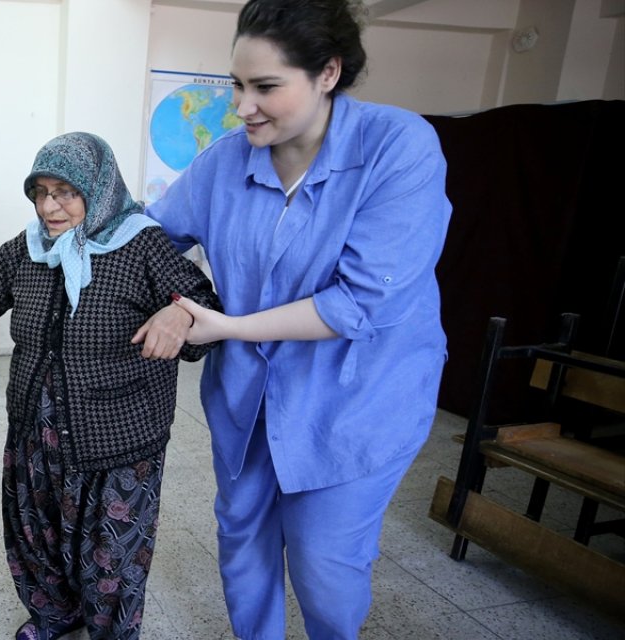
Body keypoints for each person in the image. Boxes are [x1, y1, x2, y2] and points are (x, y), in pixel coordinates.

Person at [134, 1, 452, 636]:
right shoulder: (226, 160)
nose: (243, 106)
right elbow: (146, 236)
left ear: (328, 73)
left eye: (266, 88)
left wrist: (225, 327)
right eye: (237, 86)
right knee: (243, 542)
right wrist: (35, 242)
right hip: (249, 398)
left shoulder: (398, 148)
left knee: (323, 565)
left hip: (356, 399)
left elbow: (361, 302)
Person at [0, 133, 221, 640]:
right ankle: (55, 616)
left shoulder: (139, 243)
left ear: (97, 190)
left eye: (65, 193)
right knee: (38, 534)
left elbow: (204, 305)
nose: (50, 207)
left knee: (109, 554)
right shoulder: (31, 245)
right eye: (40, 193)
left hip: (116, 433)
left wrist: (177, 312)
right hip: (38, 428)